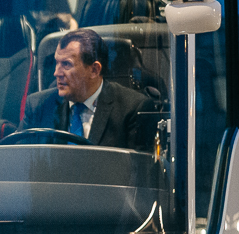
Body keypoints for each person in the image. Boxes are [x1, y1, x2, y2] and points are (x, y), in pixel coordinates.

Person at [21, 28, 149, 149]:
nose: (56, 73)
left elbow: (136, 170)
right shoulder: (38, 106)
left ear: (94, 70)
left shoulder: (133, 109)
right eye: (57, 63)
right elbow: (19, 160)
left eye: (66, 64)